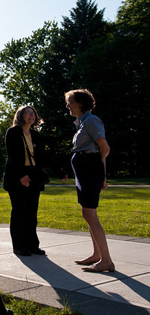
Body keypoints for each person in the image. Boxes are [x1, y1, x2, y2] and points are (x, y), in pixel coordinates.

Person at [3, 106, 67, 257]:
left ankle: (32, 245)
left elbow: (44, 156)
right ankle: (19, 246)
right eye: (28, 113)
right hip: (17, 177)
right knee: (19, 211)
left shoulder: (36, 135)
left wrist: (59, 171)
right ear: (21, 116)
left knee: (32, 212)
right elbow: (12, 156)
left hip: (34, 177)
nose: (32, 115)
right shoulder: (13, 132)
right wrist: (21, 175)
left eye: (33, 113)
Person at [65, 89, 114, 272]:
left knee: (89, 213)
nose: (67, 105)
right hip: (85, 170)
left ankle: (106, 260)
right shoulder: (81, 123)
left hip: (90, 168)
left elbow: (104, 148)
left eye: (70, 101)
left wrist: (102, 173)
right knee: (87, 213)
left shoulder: (92, 121)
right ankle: (97, 255)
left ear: (81, 103)